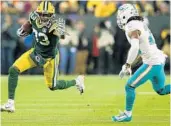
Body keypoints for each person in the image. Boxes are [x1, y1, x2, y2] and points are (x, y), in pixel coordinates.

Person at [1, 1, 85, 113]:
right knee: (13, 69)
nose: (44, 17)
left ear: (52, 15)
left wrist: (60, 31)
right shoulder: (33, 16)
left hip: (50, 57)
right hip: (36, 51)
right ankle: (10, 103)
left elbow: (62, 35)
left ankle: (76, 81)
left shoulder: (55, 24)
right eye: (42, 14)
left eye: (47, 15)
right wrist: (25, 28)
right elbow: (29, 25)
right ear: (38, 12)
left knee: (53, 86)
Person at [112, 4, 170, 122]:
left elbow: (134, 47)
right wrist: (130, 65)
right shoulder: (139, 23)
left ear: (125, 15)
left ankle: (127, 114)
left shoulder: (131, 26)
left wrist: (127, 64)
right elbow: (141, 51)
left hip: (152, 63)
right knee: (161, 90)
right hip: (157, 59)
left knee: (129, 86)